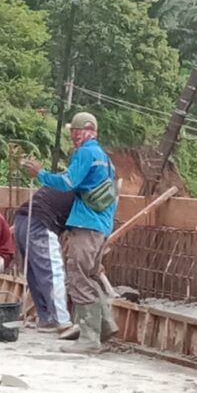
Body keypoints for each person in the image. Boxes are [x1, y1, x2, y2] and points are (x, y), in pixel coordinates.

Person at [23, 112, 118, 354]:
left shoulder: (86, 153)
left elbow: (67, 183)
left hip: (87, 225)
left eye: (75, 131)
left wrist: (40, 174)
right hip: (100, 225)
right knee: (90, 275)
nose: (72, 136)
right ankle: (105, 325)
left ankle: (89, 338)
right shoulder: (105, 159)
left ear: (85, 130)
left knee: (78, 276)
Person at [13, 186, 77, 333]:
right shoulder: (85, 188)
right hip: (40, 222)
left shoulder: (65, 181)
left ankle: (46, 319)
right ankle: (61, 320)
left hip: (22, 219)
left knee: (35, 274)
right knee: (52, 271)